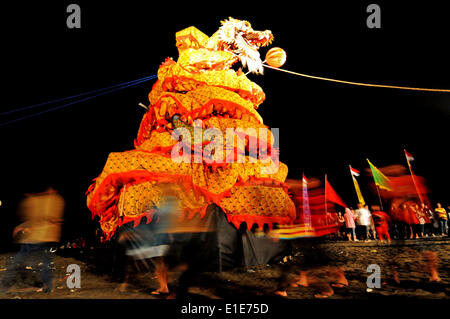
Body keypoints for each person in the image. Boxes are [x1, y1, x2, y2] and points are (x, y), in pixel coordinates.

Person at [1, 187, 65, 293]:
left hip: (36, 237)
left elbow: (37, 217)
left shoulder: (43, 201)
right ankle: (46, 287)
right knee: (45, 262)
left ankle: (4, 286)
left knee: (19, 261)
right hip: (47, 237)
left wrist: (23, 226)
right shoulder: (56, 200)